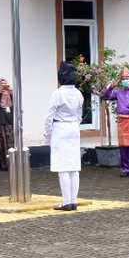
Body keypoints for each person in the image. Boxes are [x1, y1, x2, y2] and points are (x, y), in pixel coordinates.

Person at [45, 62, 85, 210]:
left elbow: (49, 116)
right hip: (73, 127)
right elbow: (79, 114)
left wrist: (47, 133)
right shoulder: (78, 93)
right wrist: (74, 125)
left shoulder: (58, 93)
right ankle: (73, 201)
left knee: (63, 167)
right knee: (74, 167)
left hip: (60, 128)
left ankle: (67, 201)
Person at [102, 66, 129, 177]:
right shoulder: (118, 92)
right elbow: (105, 97)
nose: (125, 80)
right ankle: (125, 169)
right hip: (122, 121)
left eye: (127, 78)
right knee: (123, 147)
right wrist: (112, 86)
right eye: (123, 79)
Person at [0, 78, 14, 170]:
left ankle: (13, 163)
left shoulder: (11, 94)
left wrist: (11, 93)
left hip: (11, 121)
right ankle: (5, 164)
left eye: (5, 83)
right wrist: (0, 93)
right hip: (1, 121)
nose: (3, 85)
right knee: (3, 143)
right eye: (1, 84)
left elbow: (16, 105)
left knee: (11, 142)